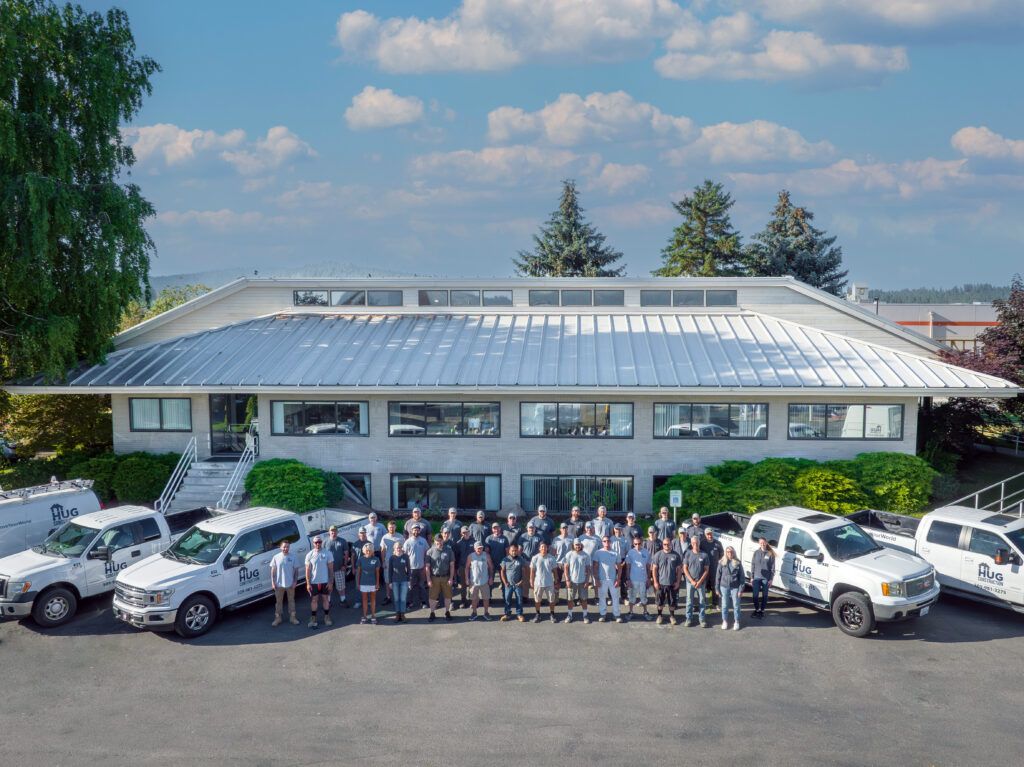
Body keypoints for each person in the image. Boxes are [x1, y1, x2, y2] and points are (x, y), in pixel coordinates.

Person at [651, 538, 682, 625]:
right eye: (664, 544)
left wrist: (678, 582)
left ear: (671, 544)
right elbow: (654, 569)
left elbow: (679, 570)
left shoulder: (676, 555)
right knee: (659, 602)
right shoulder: (658, 555)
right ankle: (660, 616)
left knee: (672, 602)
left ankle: (672, 616)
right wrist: (655, 582)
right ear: (662, 545)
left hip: (672, 583)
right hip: (661, 583)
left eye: (668, 544)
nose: (666, 546)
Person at [425, 531, 456, 622]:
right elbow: (427, 567)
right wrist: (428, 579)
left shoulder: (449, 551)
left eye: (440, 541)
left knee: (447, 596)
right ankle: (432, 613)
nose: (439, 543)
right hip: (434, 578)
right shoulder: (430, 551)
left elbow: (452, 565)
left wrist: (451, 578)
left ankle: (447, 612)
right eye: (437, 542)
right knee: (432, 597)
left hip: (446, 577)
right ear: (434, 542)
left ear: (443, 540)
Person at [592, 535, 623, 623]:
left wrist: (618, 579)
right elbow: (594, 567)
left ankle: (616, 615)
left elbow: (619, 568)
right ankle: (603, 614)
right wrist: (596, 579)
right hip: (602, 579)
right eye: (604, 541)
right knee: (602, 598)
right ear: (602, 543)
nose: (606, 543)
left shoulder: (616, 553)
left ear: (610, 542)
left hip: (613, 580)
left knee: (615, 598)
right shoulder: (598, 553)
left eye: (608, 541)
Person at [305, 536, 334, 628]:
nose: (318, 544)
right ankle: (313, 617)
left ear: (322, 542)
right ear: (313, 543)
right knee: (314, 600)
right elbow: (307, 571)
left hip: (325, 582)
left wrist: (330, 582)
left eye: (319, 542)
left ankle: (327, 617)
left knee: (325, 599)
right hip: (314, 582)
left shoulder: (328, 553)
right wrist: (308, 583)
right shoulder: (309, 555)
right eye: (316, 542)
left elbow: (331, 569)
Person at [270, 540, 300, 626]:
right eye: (284, 547)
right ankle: (278, 618)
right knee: (278, 602)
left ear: (289, 547)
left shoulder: (293, 557)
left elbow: (296, 571)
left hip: (290, 584)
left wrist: (295, 582)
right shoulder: (276, 557)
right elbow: (273, 570)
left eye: (287, 547)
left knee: (291, 601)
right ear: (280, 547)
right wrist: (273, 582)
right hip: (279, 585)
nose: (285, 548)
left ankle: (293, 617)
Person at [563, 539, 593, 624]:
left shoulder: (586, 555)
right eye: (576, 545)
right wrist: (567, 580)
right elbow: (566, 568)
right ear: (573, 545)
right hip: (572, 581)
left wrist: (587, 581)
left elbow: (588, 569)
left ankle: (585, 615)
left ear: (581, 545)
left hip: (582, 581)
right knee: (570, 599)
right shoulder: (569, 555)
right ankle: (569, 615)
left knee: (584, 599)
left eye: (579, 545)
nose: (577, 546)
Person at [683, 535, 710, 628]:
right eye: (693, 542)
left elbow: (706, 570)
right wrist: (692, 581)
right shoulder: (688, 554)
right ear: (691, 543)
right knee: (689, 601)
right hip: (690, 582)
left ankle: (702, 619)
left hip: (701, 583)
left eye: (697, 542)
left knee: (702, 601)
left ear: (699, 543)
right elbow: (685, 569)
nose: (695, 544)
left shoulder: (704, 555)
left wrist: (699, 582)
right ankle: (689, 618)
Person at [529, 541, 558, 622]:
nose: (543, 548)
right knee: (537, 600)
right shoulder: (535, 558)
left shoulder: (551, 558)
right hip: (538, 583)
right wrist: (531, 580)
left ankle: (552, 614)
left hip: (549, 583)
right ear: (539, 548)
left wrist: (556, 580)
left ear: (547, 548)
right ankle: (538, 614)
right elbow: (532, 571)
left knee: (551, 600)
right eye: (542, 547)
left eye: (545, 547)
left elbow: (555, 571)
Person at [717, 545, 744, 630]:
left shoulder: (738, 563)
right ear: (725, 553)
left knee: (736, 605)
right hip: (724, 587)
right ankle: (724, 621)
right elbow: (717, 576)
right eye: (728, 552)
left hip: (735, 587)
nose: (730, 553)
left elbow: (742, 578)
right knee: (724, 605)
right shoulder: (721, 562)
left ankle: (736, 621)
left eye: (731, 552)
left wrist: (740, 590)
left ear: (734, 552)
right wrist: (717, 588)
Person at [624, 535, 651, 621]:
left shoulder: (646, 552)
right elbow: (627, 567)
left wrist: (649, 579)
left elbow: (648, 567)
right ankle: (631, 612)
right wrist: (628, 579)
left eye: (639, 543)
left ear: (642, 543)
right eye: (635, 544)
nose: (637, 545)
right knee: (631, 597)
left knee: (643, 597)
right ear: (633, 544)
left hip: (643, 580)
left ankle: (645, 612)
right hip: (633, 579)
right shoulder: (630, 553)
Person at [403, 525, 429, 612]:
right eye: (414, 530)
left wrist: (425, 565)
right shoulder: (407, 542)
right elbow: (404, 556)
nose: (416, 532)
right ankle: (409, 603)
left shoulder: (423, 541)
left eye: (417, 530)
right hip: (411, 569)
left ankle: (424, 602)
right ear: (411, 531)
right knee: (410, 587)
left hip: (421, 568)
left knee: (422, 586)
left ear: (419, 531)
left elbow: (427, 553)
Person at [499, 541, 527, 622]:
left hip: (518, 584)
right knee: (507, 599)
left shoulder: (521, 559)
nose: (514, 552)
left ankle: (519, 614)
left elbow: (524, 571)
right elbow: (502, 571)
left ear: (518, 550)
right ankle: (507, 614)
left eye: (515, 550)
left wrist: (522, 581)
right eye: (512, 550)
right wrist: (505, 582)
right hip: (508, 584)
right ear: (509, 551)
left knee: (519, 599)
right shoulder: (505, 560)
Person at [324, 525, 350, 609]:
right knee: (329, 586)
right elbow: (322, 555)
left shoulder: (342, 541)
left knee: (341, 586)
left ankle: (343, 600)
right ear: (329, 532)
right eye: (331, 531)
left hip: (339, 568)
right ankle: (328, 601)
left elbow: (346, 554)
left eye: (335, 531)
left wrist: (344, 565)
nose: (333, 532)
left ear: (337, 532)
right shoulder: (325, 542)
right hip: (328, 570)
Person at [380, 520, 405, 606]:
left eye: (393, 527)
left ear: (395, 527)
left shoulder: (400, 537)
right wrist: (383, 562)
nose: (391, 528)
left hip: (398, 562)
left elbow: (404, 550)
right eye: (390, 527)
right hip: (387, 561)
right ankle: (388, 597)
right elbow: (383, 551)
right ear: (388, 528)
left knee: (398, 579)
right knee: (387, 580)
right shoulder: (384, 537)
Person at [466, 540, 493, 620]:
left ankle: (486, 613)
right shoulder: (470, 556)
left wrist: (491, 577)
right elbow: (467, 568)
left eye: (481, 548)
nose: (479, 550)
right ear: (474, 548)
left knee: (486, 598)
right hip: (473, 582)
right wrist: (467, 578)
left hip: (485, 581)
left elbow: (491, 567)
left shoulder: (487, 556)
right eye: (478, 548)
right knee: (474, 599)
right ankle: (474, 613)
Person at [355, 542, 381, 625]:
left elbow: (377, 573)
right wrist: (357, 584)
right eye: (366, 550)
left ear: (372, 550)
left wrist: (377, 583)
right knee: (364, 600)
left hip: (373, 583)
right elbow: (358, 573)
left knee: (373, 600)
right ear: (364, 550)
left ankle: (373, 616)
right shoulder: (360, 559)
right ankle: (365, 616)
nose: (368, 551)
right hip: (363, 583)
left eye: (370, 550)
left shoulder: (376, 559)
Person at [751, 537, 776, 619]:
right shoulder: (756, 552)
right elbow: (753, 565)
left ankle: (762, 611)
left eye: (764, 542)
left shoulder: (770, 554)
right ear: (759, 543)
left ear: (766, 543)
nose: (762, 544)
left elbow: (772, 568)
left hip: (766, 578)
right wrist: (752, 577)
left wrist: (771, 579)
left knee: (765, 596)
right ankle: (757, 610)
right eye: (761, 542)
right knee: (755, 595)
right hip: (756, 577)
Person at [388, 541, 411, 622]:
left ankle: (402, 614)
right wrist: (390, 582)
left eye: (400, 547)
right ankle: (397, 614)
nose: (398, 549)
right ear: (394, 548)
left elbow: (408, 569)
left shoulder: (405, 557)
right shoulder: (392, 558)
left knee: (403, 599)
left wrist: (408, 580)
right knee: (397, 599)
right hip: (395, 581)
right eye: (397, 547)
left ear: (402, 548)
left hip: (404, 580)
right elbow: (390, 571)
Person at [702, 527, 724, 610]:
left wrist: (720, 564)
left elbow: (722, 555)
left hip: (715, 569)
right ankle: (703, 604)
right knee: (703, 587)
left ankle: (716, 604)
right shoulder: (702, 543)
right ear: (705, 535)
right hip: (704, 570)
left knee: (716, 587)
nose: (709, 535)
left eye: (710, 534)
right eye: (708, 534)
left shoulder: (718, 543)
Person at [454, 526, 476, 610]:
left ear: (469, 532)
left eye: (467, 532)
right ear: (461, 533)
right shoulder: (458, 543)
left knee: (472, 584)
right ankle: (463, 601)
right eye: (463, 532)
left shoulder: (474, 542)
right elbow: (456, 556)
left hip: (472, 567)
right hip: (462, 567)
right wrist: (457, 568)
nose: (465, 534)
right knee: (463, 585)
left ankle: (472, 601)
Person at [485, 523, 509, 596]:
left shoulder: (504, 538)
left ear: (500, 528)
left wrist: (506, 562)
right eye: (494, 528)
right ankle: (489, 597)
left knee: (504, 580)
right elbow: (486, 552)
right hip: (491, 563)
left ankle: (505, 596)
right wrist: (489, 563)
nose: (496, 530)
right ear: (492, 529)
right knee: (490, 580)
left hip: (502, 562)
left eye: (497, 528)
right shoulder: (489, 538)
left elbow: (507, 551)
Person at [551, 522, 573, 603]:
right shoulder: (556, 539)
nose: (564, 529)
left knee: (569, 581)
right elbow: (553, 552)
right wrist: (553, 563)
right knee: (557, 581)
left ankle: (570, 598)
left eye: (566, 528)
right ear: (560, 529)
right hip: (558, 563)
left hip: (569, 563)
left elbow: (574, 550)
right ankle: (556, 598)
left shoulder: (572, 538)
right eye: (563, 528)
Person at [610, 523, 629, 605]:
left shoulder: (625, 540)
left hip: (622, 560)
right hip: (612, 560)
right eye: (617, 529)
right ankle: (611, 597)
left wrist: (624, 562)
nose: (618, 530)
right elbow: (609, 551)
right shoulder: (611, 539)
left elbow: (628, 553)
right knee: (612, 579)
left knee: (623, 580)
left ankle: (624, 597)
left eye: (620, 529)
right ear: (614, 529)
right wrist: (613, 563)